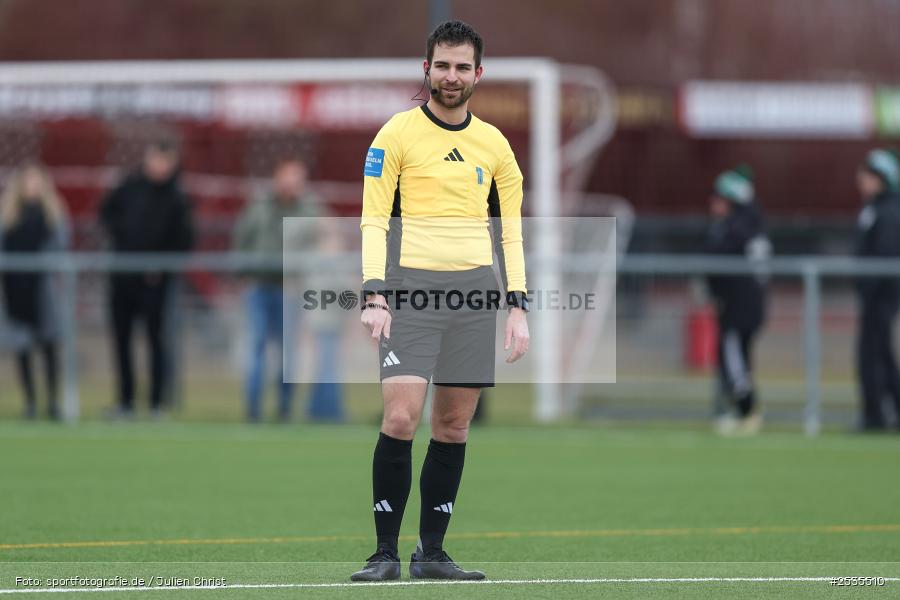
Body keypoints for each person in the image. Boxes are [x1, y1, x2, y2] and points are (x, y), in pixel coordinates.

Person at [351, 21, 530, 582]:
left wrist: (518, 305)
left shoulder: (495, 146)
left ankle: (431, 553)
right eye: (443, 66)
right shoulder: (395, 134)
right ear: (426, 69)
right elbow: (374, 219)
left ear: (478, 73)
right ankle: (384, 554)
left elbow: (510, 233)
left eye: (462, 67)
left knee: (453, 426)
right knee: (401, 416)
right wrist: (374, 293)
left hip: (474, 297)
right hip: (409, 293)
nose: (452, 77)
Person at [100, 140, 194, 418]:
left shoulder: (177, 198)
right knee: (122, 341)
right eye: (156, 159)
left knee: (156, 341)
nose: (160, 166)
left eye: (166, 161)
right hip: (122, 278)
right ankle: (125, 401)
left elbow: (184, 240)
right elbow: (106, 214)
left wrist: (161, 265)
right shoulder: (128, 187)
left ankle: (156, 403)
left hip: (156, 283)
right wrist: (123, 243)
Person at [233, 158, 320, 422]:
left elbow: (316, 245)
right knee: (257, 346)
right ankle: (253, 410)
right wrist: (242, 273)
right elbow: (242, 238)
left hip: (289, 289)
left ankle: (284, 409)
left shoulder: (309, 210)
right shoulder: (259, 206)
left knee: (287, 352)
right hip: (259, 285)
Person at [705, 165, 770, 435]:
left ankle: (747, 410)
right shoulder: (754, 224)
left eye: (720, 198)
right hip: (749, 305)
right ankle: (740, 409)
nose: (713, 203)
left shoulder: (734, 229)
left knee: (732, 357)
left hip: (738, 306)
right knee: (739, 358)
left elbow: (715, 263)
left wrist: (714, 292)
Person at [0, 163, 69, 420]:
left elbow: (59, 246)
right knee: (23, 347)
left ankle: (52, 402)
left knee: (49, 345)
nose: (32, 186)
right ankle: (30, 403)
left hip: (43, 290)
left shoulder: (52, 215)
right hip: (15, 291)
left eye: (36, 181)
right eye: (28, 181)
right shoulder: (8, 216)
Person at [854, 148, 900, 431]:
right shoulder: (874, 209)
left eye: (868, 175)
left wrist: (870, 287)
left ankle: (876, 416)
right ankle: (882, 412)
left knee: (873, 355)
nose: (861, 180)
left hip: (881, 295)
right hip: (875, 295)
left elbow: (885, 252)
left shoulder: (888, 210)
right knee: (879, 353)